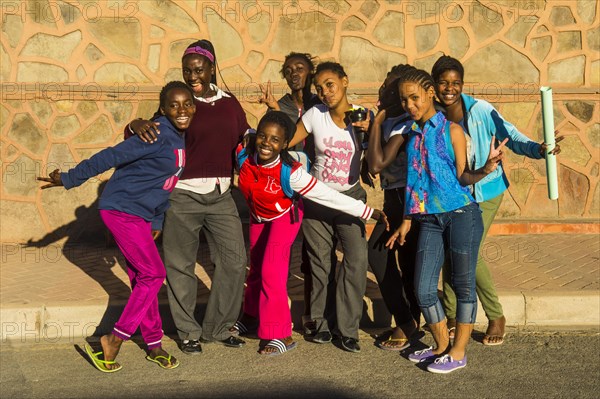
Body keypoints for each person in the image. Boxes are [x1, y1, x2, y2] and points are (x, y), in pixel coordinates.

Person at [37, 81, 196, 372]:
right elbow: (111, 156)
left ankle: (154, 343)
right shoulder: (157, 133)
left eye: (187, 104)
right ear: (163, 108)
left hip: (142, 214)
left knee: (141, 277)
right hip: (122, 210)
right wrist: (71, 178)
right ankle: (114, 338)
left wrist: (157, 219)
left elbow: (165, 184)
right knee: (154, 273)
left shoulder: (178, 136)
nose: (182, 110)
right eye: (174, 105)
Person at [431, 55, 563, 346]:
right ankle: (452, 316)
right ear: (434, 85)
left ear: (462, 84)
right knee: (450, 251)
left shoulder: (480, 110)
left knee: (469, 251)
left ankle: (495, 315)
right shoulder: (432, 115)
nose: (449, 88)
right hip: (452, 193)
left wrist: (539, 149)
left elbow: (511, 137)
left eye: (455, 83)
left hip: (485, 190)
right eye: (443, 82)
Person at [127, 40, 249, 354]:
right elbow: (145, 132)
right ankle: (188, 333)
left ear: (212, 67)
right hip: (182, 197)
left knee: (234, 262)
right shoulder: (179, 102)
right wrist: (134, 124)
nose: (193, 76)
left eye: (198, 69)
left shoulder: (229, 102)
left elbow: (244, 137)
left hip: (222, 196)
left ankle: (219, 328)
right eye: (187, 70)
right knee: (180, 266)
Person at [385, 68, 508, 373]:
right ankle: (441, 344)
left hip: (462, 215)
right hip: (429, 220)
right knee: (424, 287)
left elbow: (464, 177)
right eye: (404, 100)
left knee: (463, 286)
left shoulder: (451, 131)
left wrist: (486, 169)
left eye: (414, 97)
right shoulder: (412, 136)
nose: (409, 105)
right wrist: (407, 220)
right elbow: (415, 185)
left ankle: (458, 352)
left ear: (430, 94)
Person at [235, 111, 387, 355]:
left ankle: (279, 335)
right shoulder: (243, 155)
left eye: (275, 140)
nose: (266, 143)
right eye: (263, 136)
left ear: (285, 144)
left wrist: (366, 211)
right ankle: (252, 316)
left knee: (271, 272)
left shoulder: (292, 173)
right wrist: (249, 134)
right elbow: (240, 130)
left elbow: (328, 196)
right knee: (256, 267)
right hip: (259, 216)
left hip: (285, 218)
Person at [288, 62, 372, 353]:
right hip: (318, 199)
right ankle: (320, 324)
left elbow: (378, 152)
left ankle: (347, 330)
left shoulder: (363, 115)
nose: (325, 92)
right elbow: (287, 140)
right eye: (320, 88)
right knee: (320, 263)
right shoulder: (314, 115)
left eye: (330, 84)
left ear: (345, 82)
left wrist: (370, 130)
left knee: (356, 260)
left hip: (350, 199)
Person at [256, 52, 329, 335]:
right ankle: (276, 312)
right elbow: (271, 140)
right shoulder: (282, 105)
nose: (294, 73)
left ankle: (314, 313)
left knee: (315, 254)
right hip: (288, 188)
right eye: (288, 70)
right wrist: (274, 109)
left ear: (311, 71)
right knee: (280, 253)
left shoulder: (322, 101)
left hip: (319, 184)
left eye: (300, 68)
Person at [367, 64, 422, 351]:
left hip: (409, 200)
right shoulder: (390, 120)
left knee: (408, 263)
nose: (383, 91)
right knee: (378, 254)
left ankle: (409, 321)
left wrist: (376, 122)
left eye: (391, 88)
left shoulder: (406, 123)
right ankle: (408, 319)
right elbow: (372, 164)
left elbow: (378, 163)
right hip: (391, 199)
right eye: (385, 86)